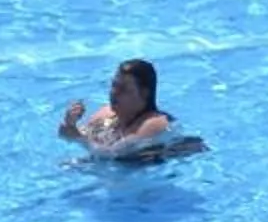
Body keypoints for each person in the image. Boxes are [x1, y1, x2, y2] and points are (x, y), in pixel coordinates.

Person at [58, 58, 199, 162]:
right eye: (114, 85)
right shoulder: (106, 113)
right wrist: (70, 124)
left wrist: (78, 138)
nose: (114, 93)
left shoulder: (154, 123)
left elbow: (114, 154)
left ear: (144, 93)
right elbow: (79, 135)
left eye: (123, 89)